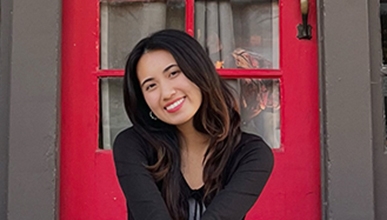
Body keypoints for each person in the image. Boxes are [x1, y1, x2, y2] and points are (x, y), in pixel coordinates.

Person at [113, 29, 274, 220]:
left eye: (173, 73)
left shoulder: (251, 154)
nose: (166, 93)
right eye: (151, 86)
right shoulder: (132, 145)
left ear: (199, 71)